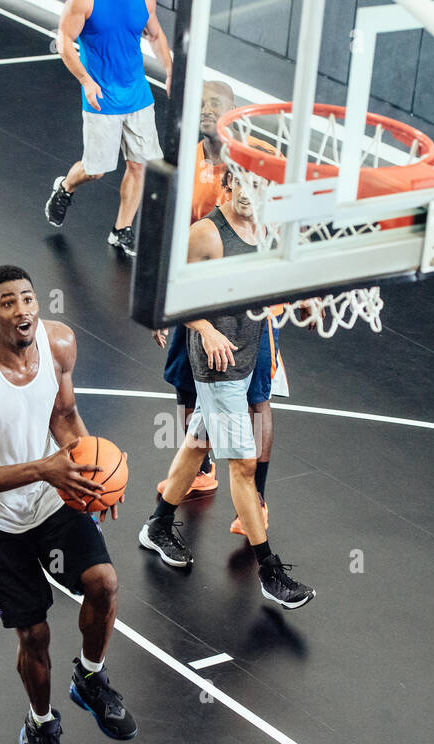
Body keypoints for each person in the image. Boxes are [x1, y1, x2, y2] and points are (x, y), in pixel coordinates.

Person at [0, 265, 134, 744]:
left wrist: (92, 477)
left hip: (52, 497)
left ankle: (90, 678)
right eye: (7, 302)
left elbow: (65, 417)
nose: (21, 309)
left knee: (104, 583)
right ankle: (41, 726)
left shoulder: (60, 344)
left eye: (27, 298)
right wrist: (39, 468)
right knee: (36, 634)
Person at [140, 171, 315, 609]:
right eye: (245, 185)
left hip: (246, 352)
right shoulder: (208, 235)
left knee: (197, 445)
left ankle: (157, 525)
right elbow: (167, 291)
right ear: (229, 182)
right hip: (216, 364)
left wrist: (304, 300)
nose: (251, 196)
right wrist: (203, 329)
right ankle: (270, 573)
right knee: (242, 467)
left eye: (262, 188)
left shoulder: (265, 230)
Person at [155, 80, 286, 524]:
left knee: (257, 397)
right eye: (203, 104)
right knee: (186, 384)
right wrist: (161, 300)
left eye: (219, 104)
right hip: (199, 292)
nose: (209, 110)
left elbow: (280, 213)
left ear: (235, 111)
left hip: (250, 305)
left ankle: (257, 498)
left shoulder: (255, 154)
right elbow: (172, 233)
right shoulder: (185, 162)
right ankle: (199, 471)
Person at [44, 0, 173, 258]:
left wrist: (170, 70)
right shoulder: (84, 2)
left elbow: (156, 35)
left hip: (137, 94)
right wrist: (85, 81)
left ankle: (121, 229)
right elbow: (64, 41)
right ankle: (65, 187)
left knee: (141, 166)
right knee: (96, 171)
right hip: (100, 96)